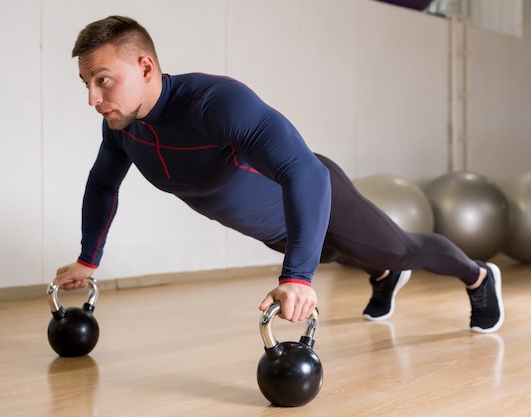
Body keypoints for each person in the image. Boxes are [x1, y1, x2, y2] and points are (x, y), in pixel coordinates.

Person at [53, 15, 504, 333]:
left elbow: (302, 171)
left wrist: (296, 279)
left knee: (400, 250)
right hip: (275, 228)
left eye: (103, 80)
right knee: (337, 255)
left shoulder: (213, 102)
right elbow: (102, 185)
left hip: (316, 199)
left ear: (145, 67)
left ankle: (478, 276)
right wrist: (88, 259)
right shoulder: (121, 128)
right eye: (86, 84)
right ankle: (382, 276)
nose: (93, 98)